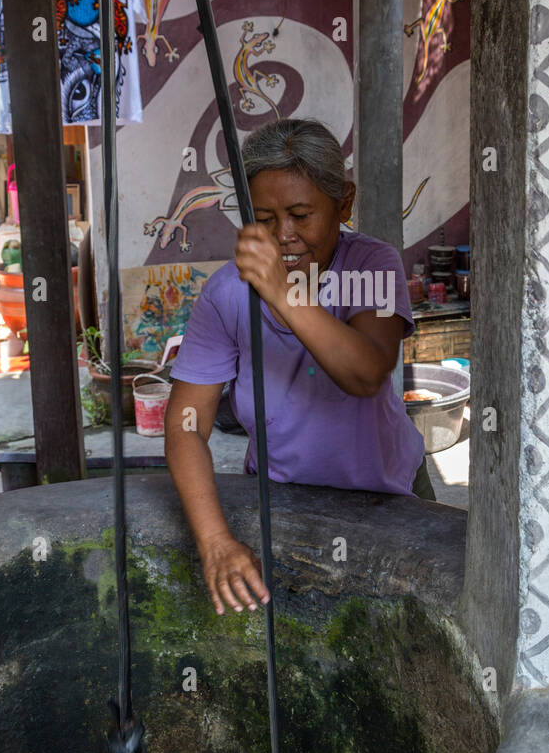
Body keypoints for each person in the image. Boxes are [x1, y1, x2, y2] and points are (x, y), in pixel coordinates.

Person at [165, 117, 435, 617]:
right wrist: (216, 540)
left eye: (301, 215)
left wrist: (282, 292)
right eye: (264, 219)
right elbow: (186, 425)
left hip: (388, 492)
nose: (283, 236)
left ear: (344, 204)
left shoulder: (370, 266)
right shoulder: (227, 292)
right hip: (282, 496)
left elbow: (366, 373)